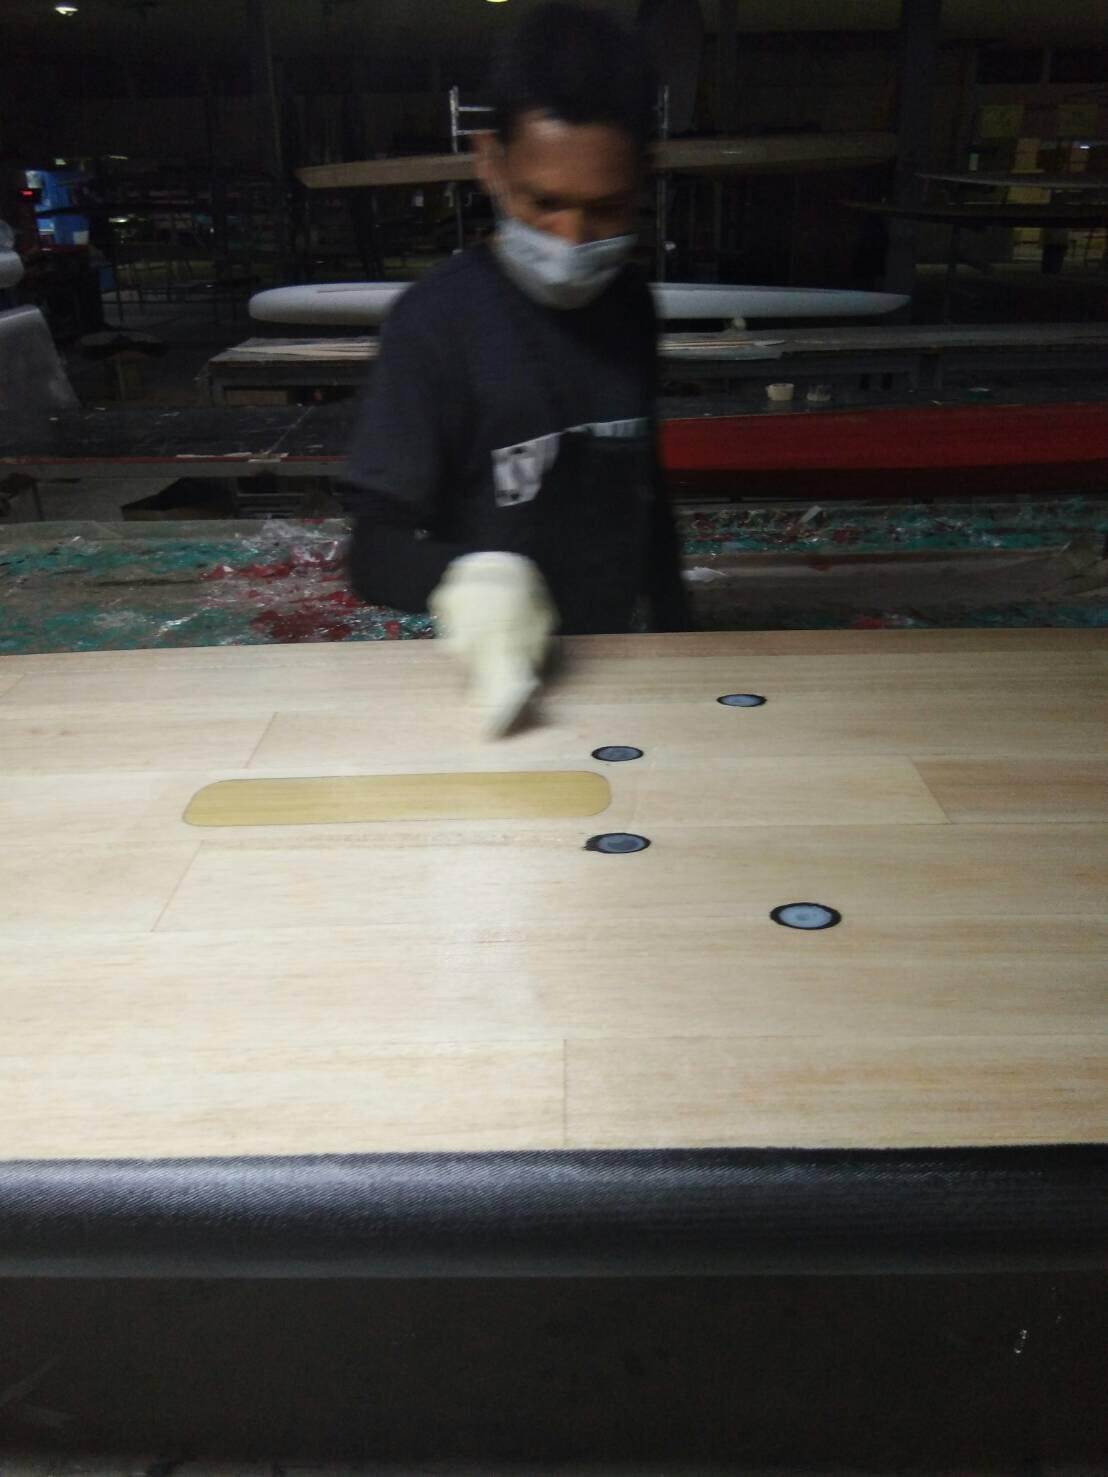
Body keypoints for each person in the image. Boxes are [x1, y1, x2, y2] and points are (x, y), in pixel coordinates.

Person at [344, 1, 688, 735]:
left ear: (644, 176)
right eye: (545, 202)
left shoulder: (631, 305)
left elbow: (648, 491)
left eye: (607, 208)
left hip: (621, 663)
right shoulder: (434, 326)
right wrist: (471, 576)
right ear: (491, 163)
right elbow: (372, 554)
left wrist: (681, 632)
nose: (571, 239)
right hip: (492, 681)